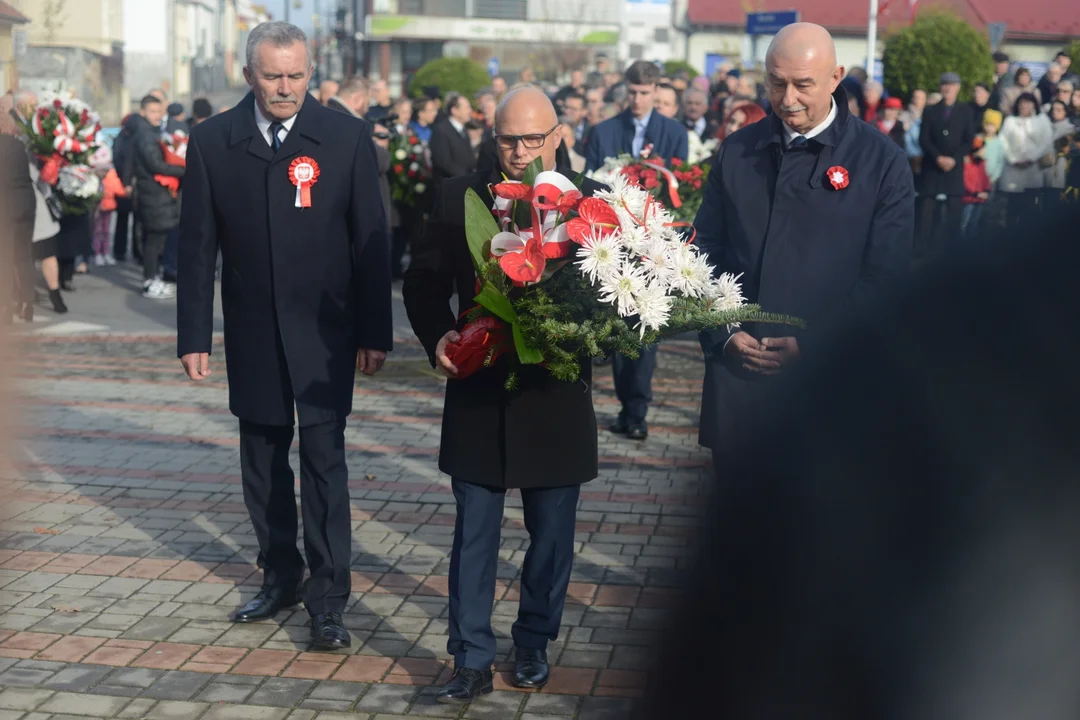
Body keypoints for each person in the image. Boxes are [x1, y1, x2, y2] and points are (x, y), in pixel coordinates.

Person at [643, 200, 1080, 720]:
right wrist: (723, 332)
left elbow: (884, 269)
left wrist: (814, 345)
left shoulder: (1010, 288)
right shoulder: (990, 290)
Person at [176, 21, 392, 651]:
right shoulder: (213, 140)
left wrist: (375, 330)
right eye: (273, 75)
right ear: (249, 75)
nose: (286, 87)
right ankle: (281, 574)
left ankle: (328, 599)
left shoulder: (346, 138)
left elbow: (371, 245)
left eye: (296, 75)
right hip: (252, 331)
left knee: (325, 465)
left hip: (326, 336)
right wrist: (195, 335)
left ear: (310, 73)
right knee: (264, 466)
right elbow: (196, 249)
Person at [403, 87, 603, 704]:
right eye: (508, 139)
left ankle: (535, 643)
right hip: (480, 390)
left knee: (551, 537)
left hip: (555, 394)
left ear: (558, 135)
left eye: (532, 139)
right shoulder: (455, 195)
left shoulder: (591, 201)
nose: (519, 151)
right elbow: (422, 278)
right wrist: (437, 334)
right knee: (474, 532)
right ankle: (469, 657)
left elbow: (609, 289)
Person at [693, 22, 914, 468]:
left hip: (831, 383)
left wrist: (813, 345)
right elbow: (702, 253)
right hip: (740, 378)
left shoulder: (880, 161)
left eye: (802, 85)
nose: (787, 99)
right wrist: (722, 333)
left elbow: (885, 279)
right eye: (776, 83)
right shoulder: (738, 151)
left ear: (836, 77)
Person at [586, 60, 689, 441]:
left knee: (646, 327)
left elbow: (680, 186)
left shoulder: (674, 132)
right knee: (618, 323)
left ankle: (636, 411)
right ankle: (624, 402)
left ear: (656, 91)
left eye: (645, 93)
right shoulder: (604, 131)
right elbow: (591, 186)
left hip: (654, 245)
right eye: (632, 92)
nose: (638, 99)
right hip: (611, 242)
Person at [917, 72, 975, 261]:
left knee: (953, 211)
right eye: (944, 85)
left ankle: (952, 252)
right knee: (926, 210)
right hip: (933, 167)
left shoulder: (966, 111)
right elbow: (923, 139)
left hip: (954, 168)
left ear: (958, 88)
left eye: (952, 85)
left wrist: (954, 159)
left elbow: (968, 140)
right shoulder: (930, 110)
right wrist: (938, 157)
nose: (948, 88)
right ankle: (922, 250)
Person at [132, 94, 184, 299]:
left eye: (159, 111)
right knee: (154, 240)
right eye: (152, 111)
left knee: (159, 238)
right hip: (152, 193)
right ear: (143, 112)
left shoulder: (153, 132)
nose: (157, 115)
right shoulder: (144, 135)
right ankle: (149, 281)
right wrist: (185, 169)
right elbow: (155, 165)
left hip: (159, 194)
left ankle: (154, 278)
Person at [429, 91, 476, 182]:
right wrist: (465, 177)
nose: (470, 111)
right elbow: (443, 162)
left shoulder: (463, 130)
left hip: (465, 183)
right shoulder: (441, 130)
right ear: (454, 110)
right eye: (467, 107)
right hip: (449, 185)